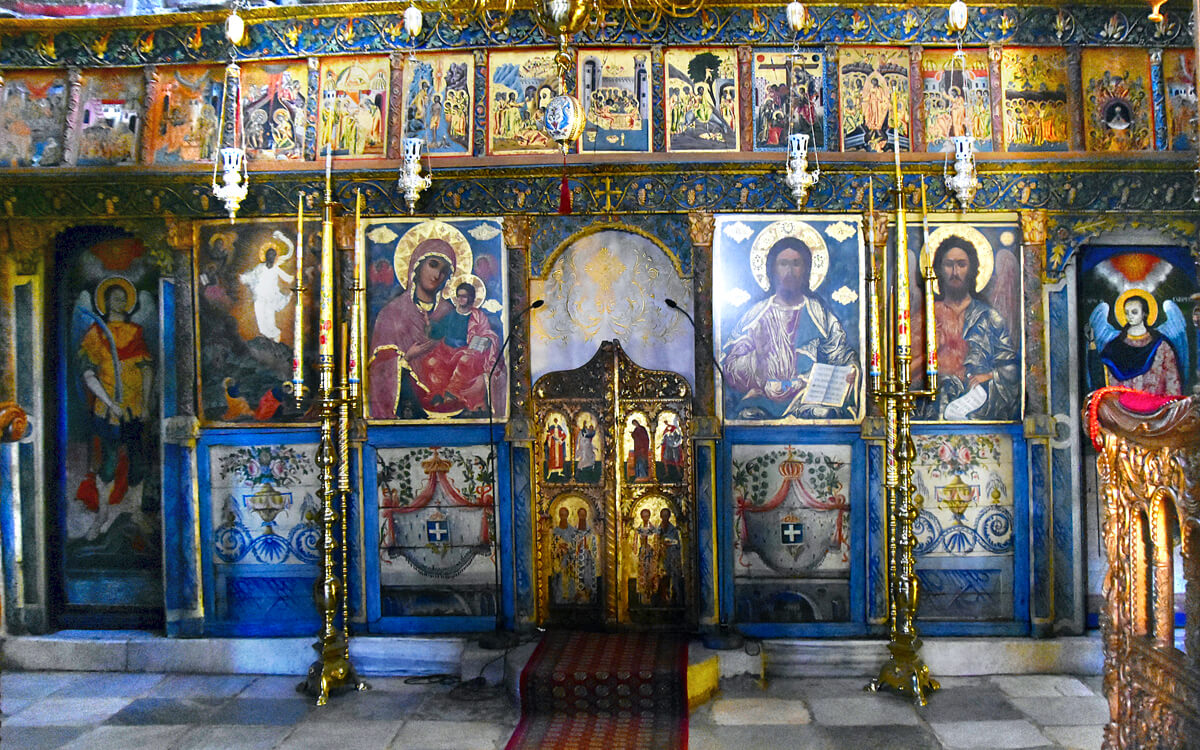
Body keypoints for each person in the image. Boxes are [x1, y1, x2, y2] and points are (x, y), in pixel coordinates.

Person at [721, 236, 859, 419]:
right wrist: (758, 357)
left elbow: (840, 354)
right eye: (783, 264)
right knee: (749, 415)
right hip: (763, 399)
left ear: (806, 270)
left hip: (807, 398)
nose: (790, 271)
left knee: (825, 413)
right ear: (772, 269)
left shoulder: (819, 313)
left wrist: (850, 371)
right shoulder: (756, 315)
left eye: (796, 264)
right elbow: (730, 367)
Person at [75, 279, 154, 541]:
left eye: (123, 298)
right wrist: (110, 404)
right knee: (108, 463)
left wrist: (144, 404)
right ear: (105, 302)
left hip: (134, 410)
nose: (119, 302)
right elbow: (88, 375)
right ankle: (102, 514)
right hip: (107, 410)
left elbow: (146, 370)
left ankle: (135, 511)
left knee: (138, 460)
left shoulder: (136, 332)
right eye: (114, 298)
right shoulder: (96, 334)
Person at [920, 236, 1020, 420]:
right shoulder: (926, 317)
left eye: (961, 264)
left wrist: (989, 375)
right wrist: (931, 350)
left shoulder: (989, 317)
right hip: (933, 408)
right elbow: (904, 373)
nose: (955, 272)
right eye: (949, 264)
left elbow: (1012, 369)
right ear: (938, 270)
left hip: (978, 408)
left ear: (972, 269)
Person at [367, 237, 456, 418]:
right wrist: (407, 357)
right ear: (417, 266)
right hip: (408, 401)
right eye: (433, 265)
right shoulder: (391, 313)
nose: (437, 275)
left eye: (444, 271)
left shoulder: (450, 312)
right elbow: (377, 369)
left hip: (449, 398)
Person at [420, 282, 501, 413]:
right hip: (445, 351)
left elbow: (486, 333)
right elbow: (439, 331)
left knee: (465, 361)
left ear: (471, 298)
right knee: (431, 362)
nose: (461, 299)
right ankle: (437, 393)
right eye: (459, 296)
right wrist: (429, 325)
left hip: (467, 351)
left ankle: (452, 393)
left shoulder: (478, 317)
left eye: (465, 296)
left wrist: (485, 339)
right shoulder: (450, 315)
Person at [1098, 293, 1183, 395]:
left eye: (1134, 312)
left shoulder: (1160, 345)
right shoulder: (1114, 347)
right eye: (1127, 313)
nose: (1130, 316)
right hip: (1123, 407)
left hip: (1156, 406)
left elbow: (1172, 380)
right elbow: (1109, 385)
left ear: (1144, 313)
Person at [238, 231, 295, 343]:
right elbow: (251, 276)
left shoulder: (276, 267)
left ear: (275, 256)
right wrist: (243, 278)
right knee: (260, 317)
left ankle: (274, 335)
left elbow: (290, 251)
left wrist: (282, 237)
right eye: (269, 254)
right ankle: (265, 336)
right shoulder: (260, 267)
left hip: (270, 296)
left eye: (273, 255)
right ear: (265, 256)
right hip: (260, 297)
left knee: (269, 316)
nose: (271, 256)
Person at [656, 508, 682, 606]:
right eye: (663, 515)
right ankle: (662, 599)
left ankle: (673, 599)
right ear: (660, 516)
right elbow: (655, 542)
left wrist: (669, 542)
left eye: (666, 515)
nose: (665, 517)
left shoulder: (673, 530)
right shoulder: (659, 529)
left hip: (671, 557)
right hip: (662, 558)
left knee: (672, 578)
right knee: (662, 578)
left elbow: (677, 543)